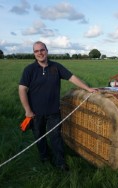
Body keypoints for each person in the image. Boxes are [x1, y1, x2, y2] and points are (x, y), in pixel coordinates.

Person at [18, 41, 97, 171]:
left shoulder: (56, 67)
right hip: (35, 113)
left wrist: (87, 88)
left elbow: (72, 77)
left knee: (56, 137)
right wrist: (27, 110)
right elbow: (22, 90)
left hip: (53, 112)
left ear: (47, 51)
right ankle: (44, 159)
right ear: (34, 54)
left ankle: (60, 163)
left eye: (42, 50)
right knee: (39, 137)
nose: (40, 53)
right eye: (36, 51)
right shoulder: (29, 70)